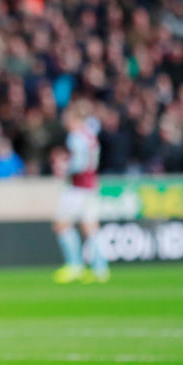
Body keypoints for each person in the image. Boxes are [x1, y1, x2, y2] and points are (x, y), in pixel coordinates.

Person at [51, 100, 110, 284]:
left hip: (77, 187)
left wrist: (64, 168)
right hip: (91, 185)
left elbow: (80, 163)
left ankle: (75, 266)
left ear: (75, 118)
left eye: (67, 118)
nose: (65, 122)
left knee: (62, 225)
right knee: (90, 227)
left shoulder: (76, 136)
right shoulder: (91, 135)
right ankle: (100, 268)